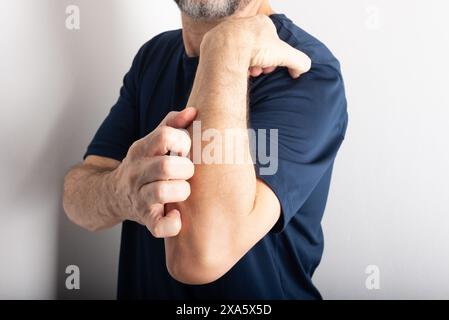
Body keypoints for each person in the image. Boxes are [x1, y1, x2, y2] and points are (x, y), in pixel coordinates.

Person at [63, 0, 348, 299]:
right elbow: (77, 201)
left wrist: (226, 44)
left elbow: (198, 258)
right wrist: (121, 192)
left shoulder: (304, 71)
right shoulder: (153, 57)